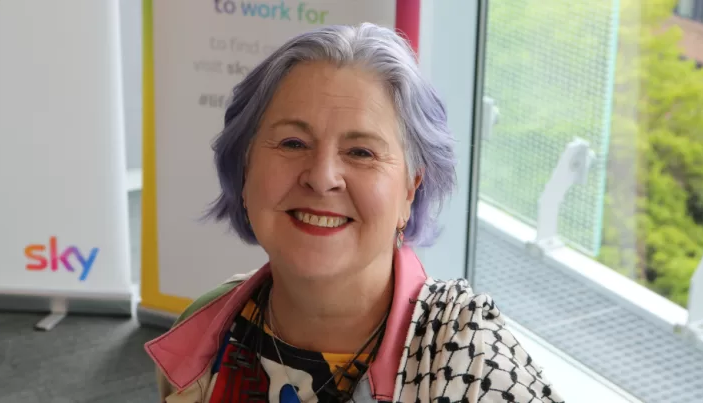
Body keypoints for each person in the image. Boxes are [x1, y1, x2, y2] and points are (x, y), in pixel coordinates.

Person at [145, 23, 563, 403]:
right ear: (245, 167)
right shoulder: (208, 324)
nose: (322, 177)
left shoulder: (472, 364)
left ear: (409, 191)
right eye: (292, 143)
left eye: (361, 152)